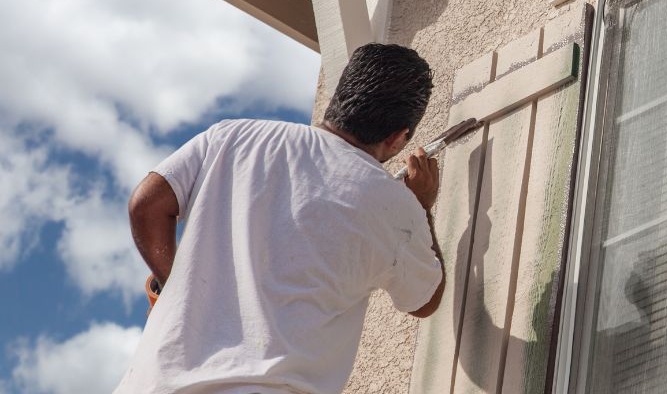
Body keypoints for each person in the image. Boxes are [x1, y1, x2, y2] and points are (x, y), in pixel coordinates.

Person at [114, 43, 445, 394]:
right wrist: (420, 205)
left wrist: (174, 286)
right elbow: (424, 299)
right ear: (398, 138)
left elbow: (146, 205)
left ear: (341, 97)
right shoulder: (391, 203)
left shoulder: (233, 137)